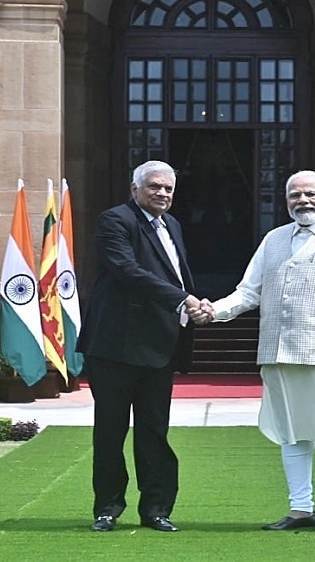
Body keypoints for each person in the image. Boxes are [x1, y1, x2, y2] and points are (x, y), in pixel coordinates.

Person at [202, 170, 315, 534]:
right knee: (291, 432)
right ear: (285, 200)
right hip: (278, 352)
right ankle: (300, 508)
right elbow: (248, 291)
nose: (303, 201)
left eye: (311, 194)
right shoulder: (274, 239)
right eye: (295, 195)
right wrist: (214, 311)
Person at [77, 160, 211, 533]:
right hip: (115, 346)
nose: (162, 194)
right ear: (135, 188)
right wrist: (183, 299)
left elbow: (176, 274)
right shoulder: (116, 220)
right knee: (110, 430)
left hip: (159, 346)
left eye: (168, 188)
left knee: (154, 430)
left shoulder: (173, 226)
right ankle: (107, 508)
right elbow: (128, 270)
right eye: (154, 186)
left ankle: (155, 509)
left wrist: (192, 303)